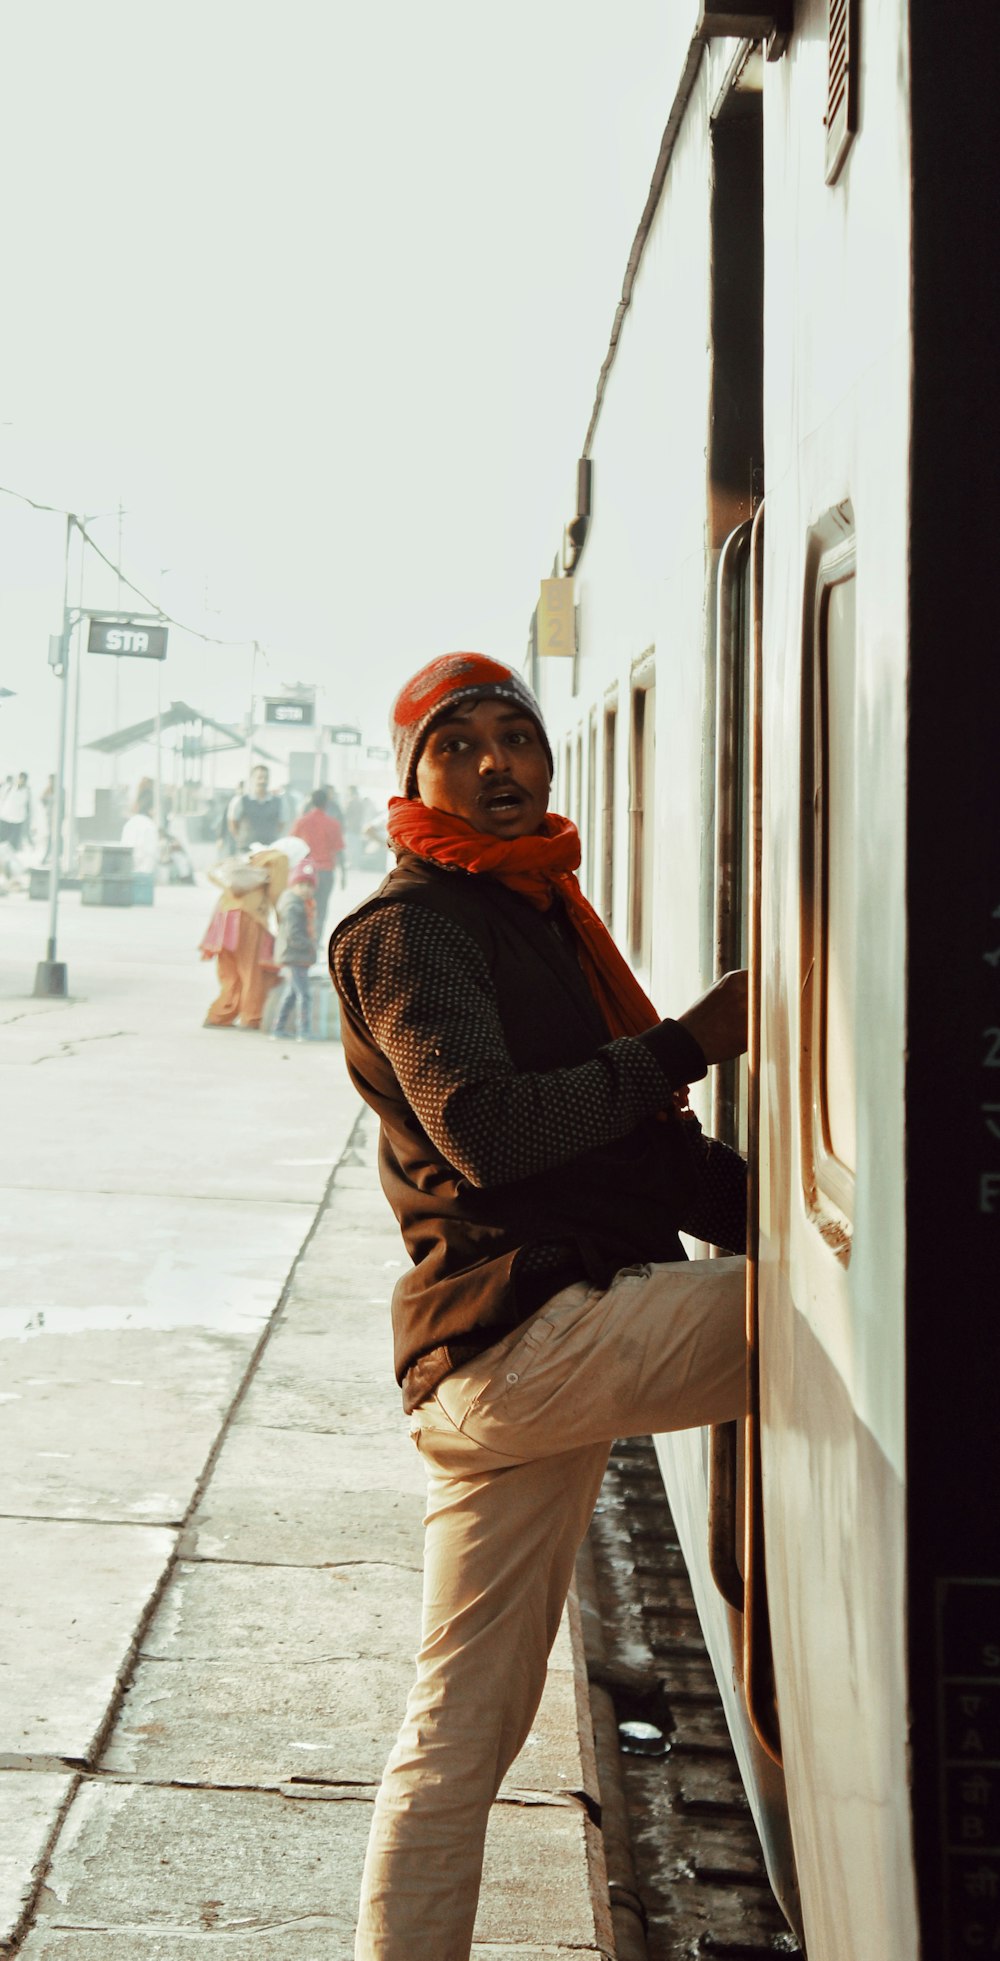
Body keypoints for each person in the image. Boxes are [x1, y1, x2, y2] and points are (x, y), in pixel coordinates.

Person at [328, 652, 750, 1961]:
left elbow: (653, 1155)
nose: (501, 763)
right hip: (532, 1334)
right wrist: (683, 1044)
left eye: (518, 736)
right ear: (412, 777)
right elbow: (490, 1131)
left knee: (460, 1730)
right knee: (833, 1315)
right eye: (461, 746)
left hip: (509, 1366)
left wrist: (773, 1199)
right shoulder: (409, 930)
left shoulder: (537, 915)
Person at [200, 845, 288, 1028]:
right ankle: (252, 1017)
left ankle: (219, 1015)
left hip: (224, 915)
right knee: (251, 971)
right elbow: (277, 896)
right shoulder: (280, 859)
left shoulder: (252, 858)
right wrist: (282, 925)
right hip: (248, 917)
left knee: (230, 972)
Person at [270, 860, 318, 1041]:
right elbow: (293, 935)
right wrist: (311, 946)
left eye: (309, 885)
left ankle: (278, 1029)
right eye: (301, 885)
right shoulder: (293, 905)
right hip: (294, 955)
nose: (305, 889)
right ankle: (303, 1032)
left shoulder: (302, 903)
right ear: (294, 885)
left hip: (297, 955)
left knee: (291, 994)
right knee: (304, 995)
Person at [291, 787, 345, 939]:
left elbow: (292, 844)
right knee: (321, 908)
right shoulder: (333, 824)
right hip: (325, 872)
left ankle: (301, 937)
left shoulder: (301, 821)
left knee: (301, 904)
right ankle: (316, 939)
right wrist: (343, 875)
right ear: (326, 804)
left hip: (304, 872)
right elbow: (339, 850)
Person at [226, 764, 284, 849]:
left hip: (269, 848)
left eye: (266, 777)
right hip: (246, 848)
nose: (263, 781)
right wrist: (241, 839)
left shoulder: (278, 801)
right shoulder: (240, 800)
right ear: (252, 779)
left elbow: (281, 825)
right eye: (259, 777)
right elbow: (233, 823)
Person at [120, 783, 159, 879]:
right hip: (142, 874)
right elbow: (150, 852)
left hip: (126, 872)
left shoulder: (130, 823)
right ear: (151, 809)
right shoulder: (149, 826)